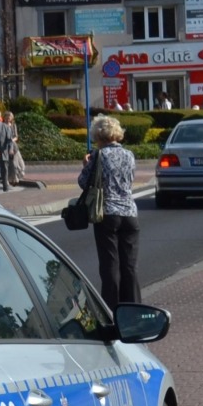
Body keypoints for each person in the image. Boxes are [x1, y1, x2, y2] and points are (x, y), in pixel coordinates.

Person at [82, 116, 141, 305]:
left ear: (98, 135)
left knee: (110, 267)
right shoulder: (129, 155)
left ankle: (113, 309)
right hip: (130, 214)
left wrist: (85, 166)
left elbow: (84, 182)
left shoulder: (99, 156)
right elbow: (129, 180)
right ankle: (133, 308)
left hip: (107, 213)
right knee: (129, 267)